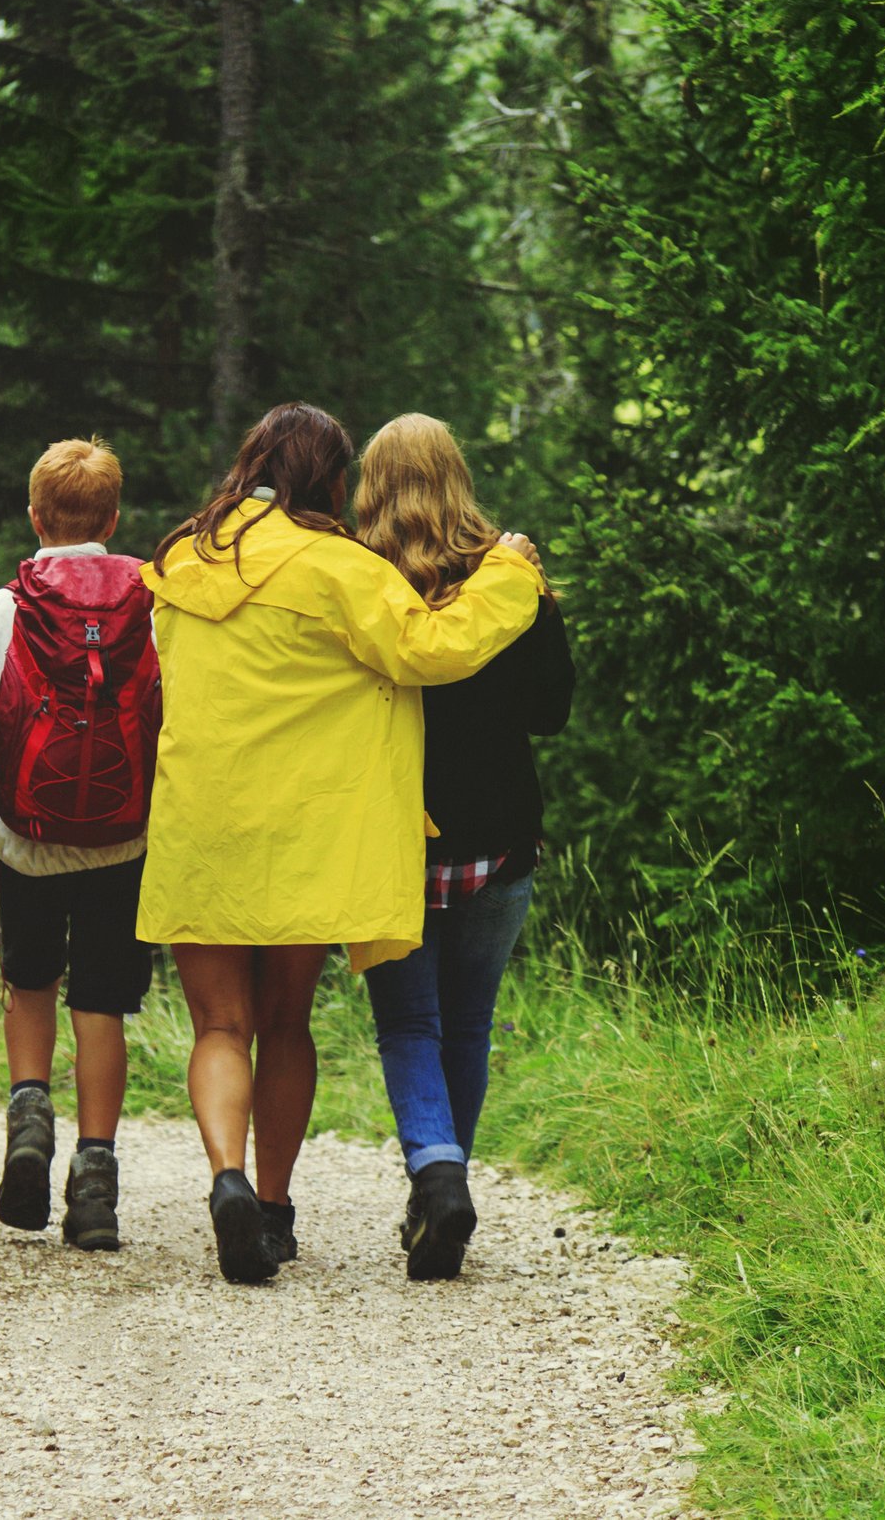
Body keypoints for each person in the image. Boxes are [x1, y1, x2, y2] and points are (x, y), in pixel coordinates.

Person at [136, 402, 543, 1283]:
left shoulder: (175, 561)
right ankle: (274, 1212)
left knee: (218, 1025)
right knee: (283, 1024)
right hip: (300, 834)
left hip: (199, 824)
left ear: (249, 463)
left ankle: (229, 1179)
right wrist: (510, 573)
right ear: (328, 478)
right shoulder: (338, 567)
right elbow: (430, 649)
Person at [352, 413, 571, 1280]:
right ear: (460, 477)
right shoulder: (511, 579)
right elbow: (552, 710)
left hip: (395, 835)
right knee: (468, 1025)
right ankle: (444, 1190)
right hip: (498, 838)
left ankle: (436, 1178)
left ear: (371, 483)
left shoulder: (356, 578)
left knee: (409, 1023)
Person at [0, 437, 160, 1252]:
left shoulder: (5, 607)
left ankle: (27, 1117)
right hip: (123, 838)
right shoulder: (151, 602)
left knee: (30, 976)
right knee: (102, 1003)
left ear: (35, 515)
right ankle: (94, 1182)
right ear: (112, 518)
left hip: (27, 837)